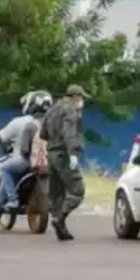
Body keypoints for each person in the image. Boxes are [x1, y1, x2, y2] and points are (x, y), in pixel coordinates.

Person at [0, 91, 48, 232]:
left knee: (5, 171)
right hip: (47, 163)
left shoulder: (21, 122)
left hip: (25, 161)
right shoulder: (52, 123)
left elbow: (3, 138)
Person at [39, 84, 90, 241]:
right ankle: (59, 218)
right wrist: (73, 153)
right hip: (64, 155)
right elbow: (69, 133)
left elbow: (42, 133)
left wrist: (54, 143)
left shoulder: (52, 109)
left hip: (52, 155)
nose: (82, 102)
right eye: (81, 98)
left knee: (57, 194)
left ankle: (61, 230)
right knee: (77, 190)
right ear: (75, 96)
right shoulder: (70, 110)